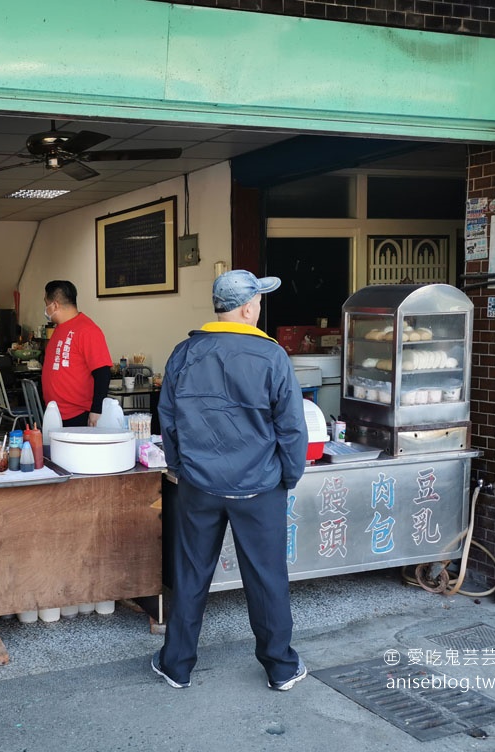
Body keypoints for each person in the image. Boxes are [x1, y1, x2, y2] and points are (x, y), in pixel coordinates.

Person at [152, 269, 308, 691]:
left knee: (191, 574)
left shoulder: (185, 352)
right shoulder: (271, 356)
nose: (259, 307)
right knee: (266, 577)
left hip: (199, 486)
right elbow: (291, 428)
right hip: (259, 487)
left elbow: (167, 420)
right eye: (258, 301)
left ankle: (176, 665)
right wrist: (289, 476)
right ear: (247, 307)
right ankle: (280, 668)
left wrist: (181, 468)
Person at [41, 280, 112, 427]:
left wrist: (96, 410)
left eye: (46, 303)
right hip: (55, 413)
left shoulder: (87, 329)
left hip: (78, 414)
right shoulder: (59, 328)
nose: (45, 309)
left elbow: (102, 371)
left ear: (54, 305)